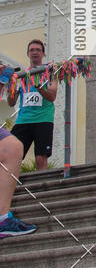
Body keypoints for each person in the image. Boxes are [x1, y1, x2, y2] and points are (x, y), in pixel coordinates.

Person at [7, 39, 57, 171]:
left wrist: (37, 85)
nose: (35, 53)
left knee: (40, 158)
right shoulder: (21, 75)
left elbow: (52, 96)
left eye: (38, 50)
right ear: (28, 54)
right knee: (13, 154)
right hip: (23, 120)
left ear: (43, 54)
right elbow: (11, 102)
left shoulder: (49, 72)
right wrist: (10, 85)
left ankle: (41, 188)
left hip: (43, 119)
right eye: (32, 50)